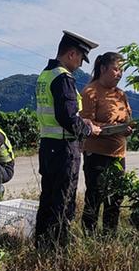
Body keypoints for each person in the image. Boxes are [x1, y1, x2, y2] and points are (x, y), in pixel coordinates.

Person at [34, 30, 101, 250]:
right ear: (72, 54)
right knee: (63, 200)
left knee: (48, 198)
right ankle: (57, 249)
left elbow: (59, 114)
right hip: (63, 148)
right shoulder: (63, 77)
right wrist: (88, 129)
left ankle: (42, 245)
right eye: (81, 58)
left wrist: (81, 123)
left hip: (48, 145)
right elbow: (67, 117)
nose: (80, 64)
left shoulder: (45, 74)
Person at [80, 52, 132, 232]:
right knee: (95, 196)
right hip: (97, 153)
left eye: (122, 70)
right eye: (116, 69)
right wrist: (111, 127)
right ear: (103, 69)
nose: (119, 74)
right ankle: (89, 235)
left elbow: (127, 120)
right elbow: (86, 123)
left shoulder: (120, 94)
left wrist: (127, 129)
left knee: (115, 198)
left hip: (118, 154)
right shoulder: (90, 92)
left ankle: (109, 235)